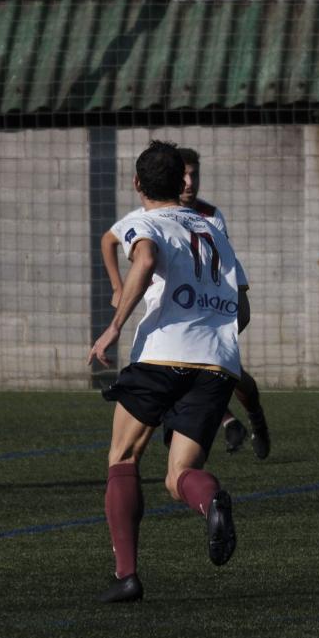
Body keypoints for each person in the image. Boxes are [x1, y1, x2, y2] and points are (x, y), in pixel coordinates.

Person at [88, 140, 250, 603]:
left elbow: (144, 258)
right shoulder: (213, 229)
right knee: (181, 473)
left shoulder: (145, 222)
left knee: (123, 458)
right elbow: (242, 309)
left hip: (162, 357)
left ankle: (126, 575)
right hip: (217, 363)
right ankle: (210, 499)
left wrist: (114, 327)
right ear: (182, 182)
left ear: (137, 183)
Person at [100, 146, 271, 460]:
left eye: (195, 175)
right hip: (174, 329)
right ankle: (226, 422)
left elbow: (223, 273)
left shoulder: (211, 219)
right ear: (177, 180)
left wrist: (211, 326)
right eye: (186, 175)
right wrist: (117, 286)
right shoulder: (143, 218)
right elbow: (109, 240)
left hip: (199, 325)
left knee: (237, 382)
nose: (190, 183)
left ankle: (254, 417)